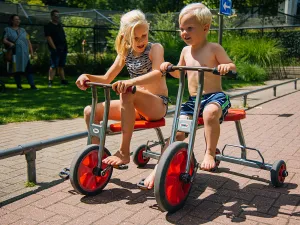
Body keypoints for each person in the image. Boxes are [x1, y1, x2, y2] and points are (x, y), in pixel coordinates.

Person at [141, 3, 236, 190]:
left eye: (189, 28)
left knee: (209, 114)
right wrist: (169, 68)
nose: (184, 32)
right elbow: (179, 73)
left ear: (206, 27)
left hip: (214, 97)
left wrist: (226, 67)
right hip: (193, 101)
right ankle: (160, 167)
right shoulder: (185, 51)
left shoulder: (214, 48)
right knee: (177, 130)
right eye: (182, 29)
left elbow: (231, 66)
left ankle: (209, 153)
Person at [76, 10, 168, 167]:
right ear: (125, 37)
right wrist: (87, 76)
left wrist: (131, 82)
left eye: (144, 36)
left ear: (148, 30)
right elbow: (106, 78)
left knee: (127, 92)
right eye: (135, 38)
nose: (140, 41)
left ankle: (124, 152)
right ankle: (95, 158)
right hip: (133, 105)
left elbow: (157, 73)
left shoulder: (155, 48)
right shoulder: (125, 52)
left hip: (156, 105)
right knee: (90, 111)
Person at [3, 14, 38, 90]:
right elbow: (4, 39)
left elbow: (28, 41)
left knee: (28, 69)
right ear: (12, 20)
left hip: (24, 53)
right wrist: (10, 43)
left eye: (19, 19)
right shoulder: (7, 29)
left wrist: (31, 53)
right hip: (15, 53)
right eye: (16, 19)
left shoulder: (23, 30)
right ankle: (19, 86)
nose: (18, 21)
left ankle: (32, 85)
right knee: (16, 70)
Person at [44, 9, 68, 87]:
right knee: (53, 65)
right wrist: (54, 48)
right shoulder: (48, 26)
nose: (57, 17)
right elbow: (48, 37)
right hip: (55, 49)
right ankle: (50, 81)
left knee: (61, 65)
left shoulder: (59, 25)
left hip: (63, 48)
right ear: (52, 16)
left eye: (58, 15)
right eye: (55, 15)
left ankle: (63, 80)